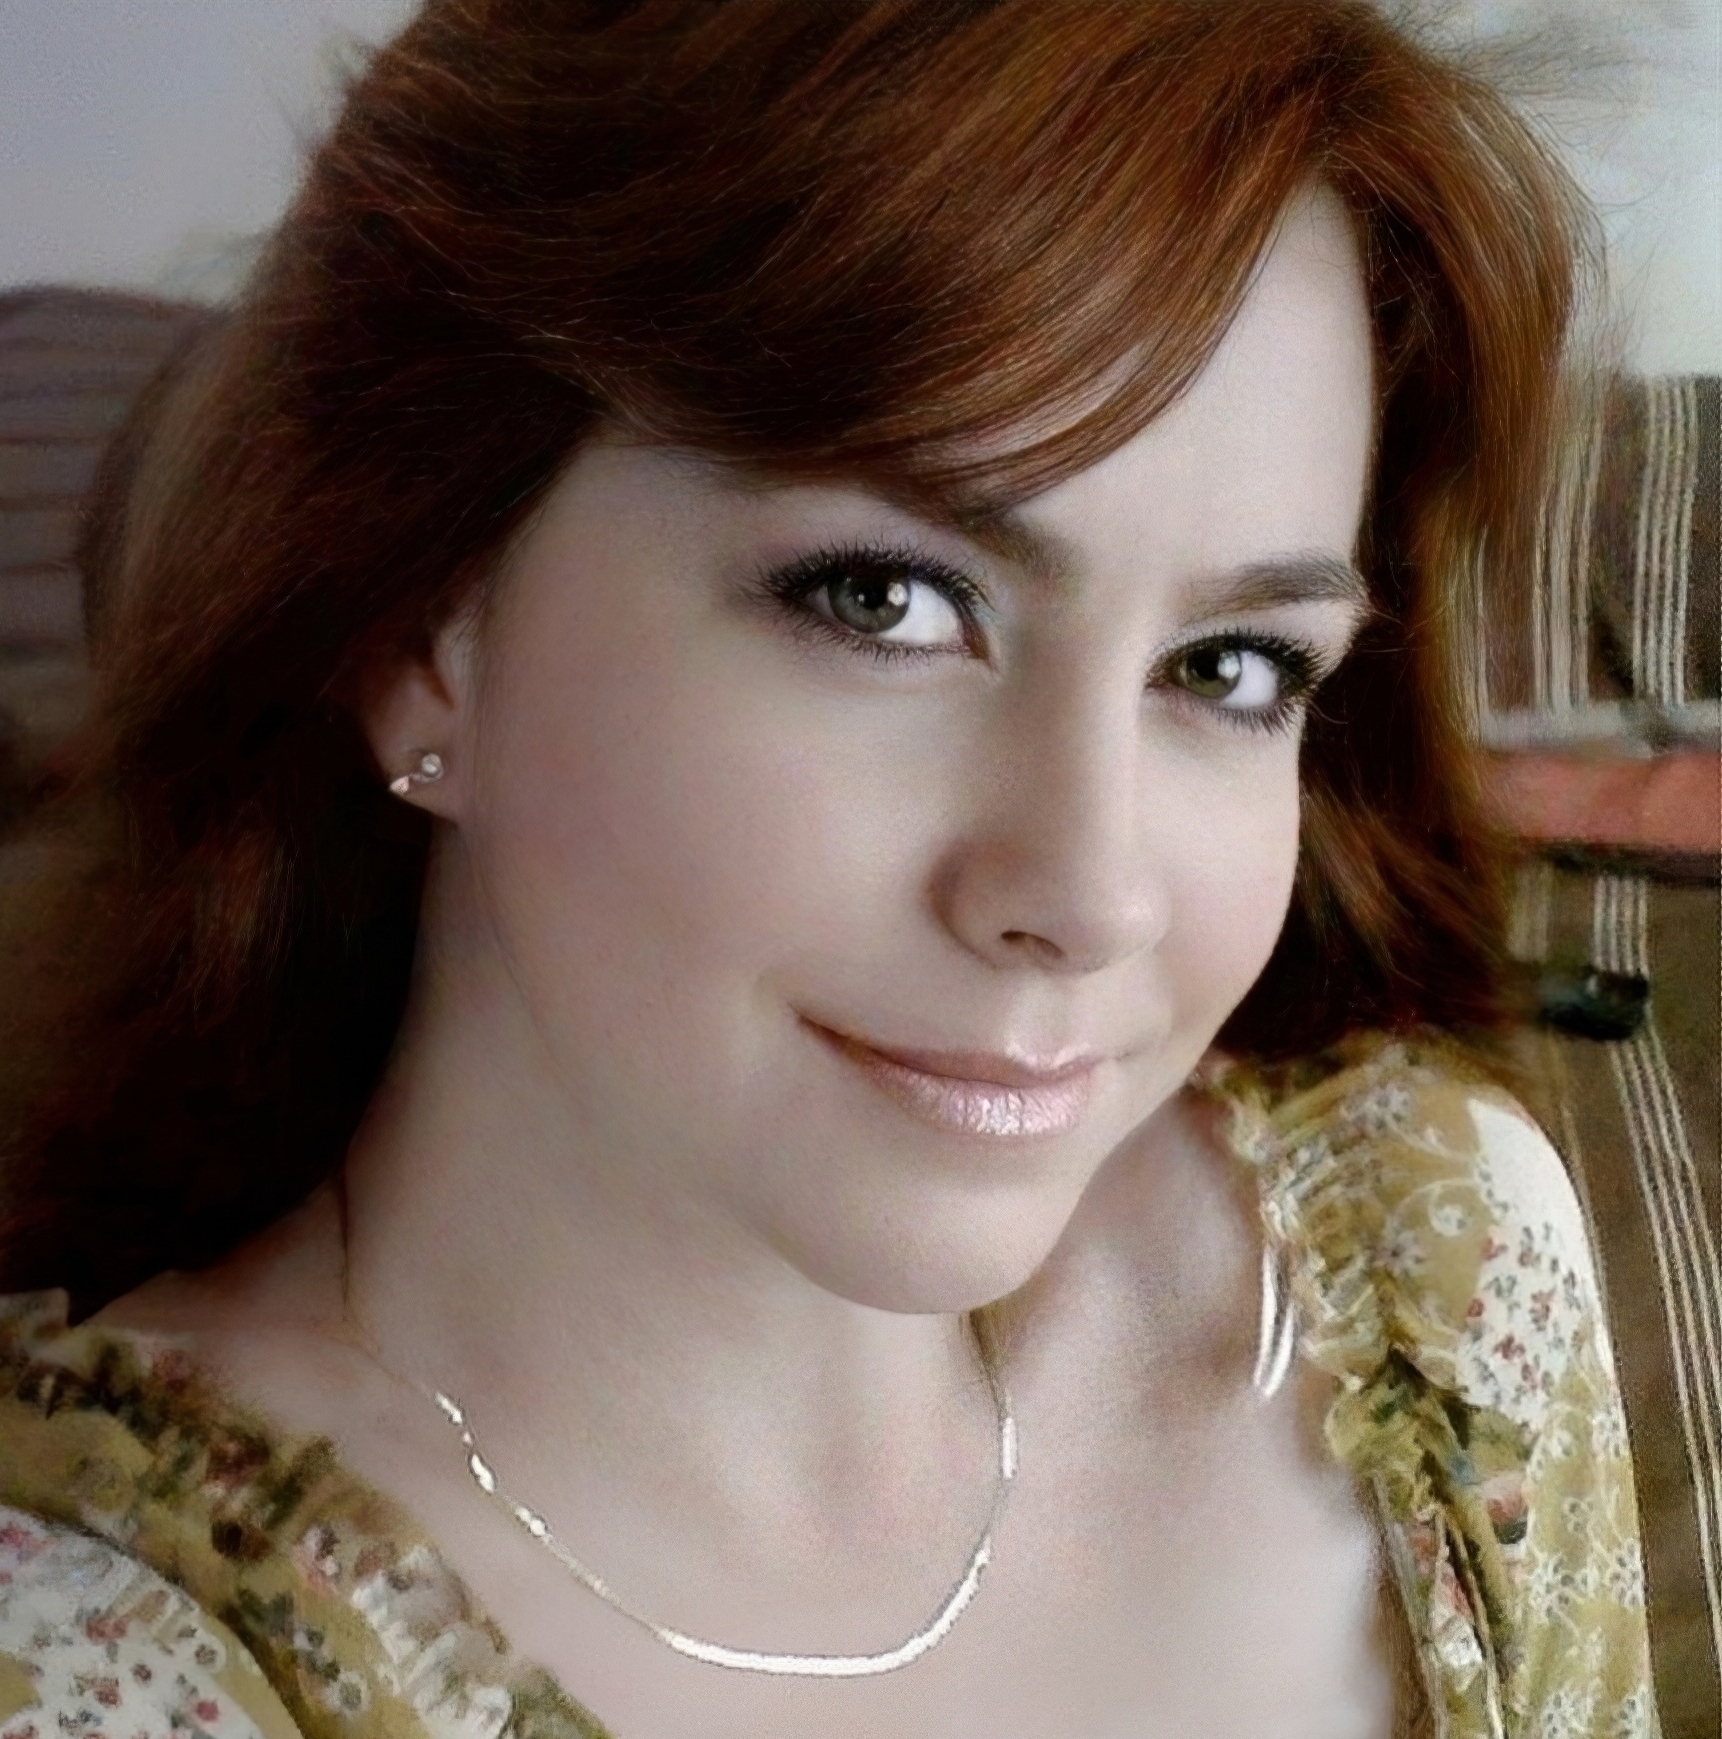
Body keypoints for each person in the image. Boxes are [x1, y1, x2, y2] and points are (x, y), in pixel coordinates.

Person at [0, 2, 1658, 1735]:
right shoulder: (103, 1671)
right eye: (885, 601)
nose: (1088, 895)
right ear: (423, 624)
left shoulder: (1443, 1273)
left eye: (1229, 667)